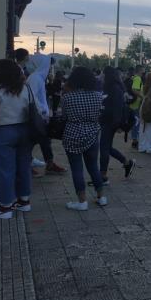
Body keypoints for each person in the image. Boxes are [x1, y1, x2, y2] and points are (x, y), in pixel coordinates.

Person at [0, 59, 33, 218]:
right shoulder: (25, 88)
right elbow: (35, 107)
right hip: (25, 131)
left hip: (4, 132)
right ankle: (24, 201)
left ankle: (5, 208)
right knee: (23, 166)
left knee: (5, 170)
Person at [61, 66, 105, 210]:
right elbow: (99, 115)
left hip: (72, 134)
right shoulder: (98, 96)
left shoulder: (67, 97)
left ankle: (82, 201)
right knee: (93, 167)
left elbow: (64, 117)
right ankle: (101, 196)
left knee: (77, 169)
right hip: (92, 133)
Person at [26, 54, 67, 176]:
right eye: (48, 66)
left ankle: (48, 164)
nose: (50, 68)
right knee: (33, 141)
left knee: (44, 140)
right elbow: (31, 97)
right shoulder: (35, 78)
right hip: (37, 116)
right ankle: (26, 164)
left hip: (40, 116)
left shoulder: (38, 77)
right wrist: (42, 111)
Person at [99, 66, 136, 184]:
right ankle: (126, 163)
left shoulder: (115, 89)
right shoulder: (107, 87)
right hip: (105, 121)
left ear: (108, 75)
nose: (102, 76)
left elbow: (118, 108)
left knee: (104, 148)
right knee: (107, 148)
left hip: (110, 122)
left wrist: (117, 124)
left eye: (103, 74)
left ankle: (103, 175)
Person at [126, 65, 144, 149]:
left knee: (134, 122)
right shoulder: (138, 78)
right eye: (143, 70)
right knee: (136, 122)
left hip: (132, 103)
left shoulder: (133, 78)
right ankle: (135, 141)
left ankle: (134, 139)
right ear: (140, 70)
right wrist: (142, 97)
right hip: (136, 104)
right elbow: (134, 89)